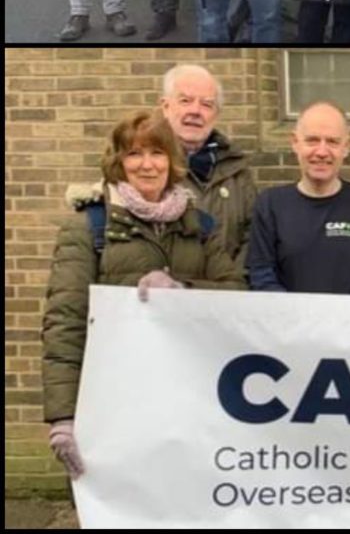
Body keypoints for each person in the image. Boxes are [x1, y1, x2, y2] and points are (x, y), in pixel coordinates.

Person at [41, 110, 244, 481]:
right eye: (134, 154)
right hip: (112, 397)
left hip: (187, 396)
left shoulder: (199, 226)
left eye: (157, 153)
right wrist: (63, 418)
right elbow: (65, 324)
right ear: (118, 162)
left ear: (172, 160)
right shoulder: (88, 227)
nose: (147, 165)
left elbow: (236, 293)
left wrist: (183, 289)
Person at [247, 102, 350, 294]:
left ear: (346, 147)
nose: (322, 152)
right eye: (312, 140)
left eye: (332, 142)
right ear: (295, 143)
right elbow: (261, 274)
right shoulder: (270, 204)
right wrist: (296, 318)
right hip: (289, 321)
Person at [159, 64, 258, 264]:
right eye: (185, 101)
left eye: (207, 104)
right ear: (165, 107)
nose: (195, 111)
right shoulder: (144, 167)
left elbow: (253, 237)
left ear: (216, 114)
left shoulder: (237, 171)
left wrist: (232, 282)